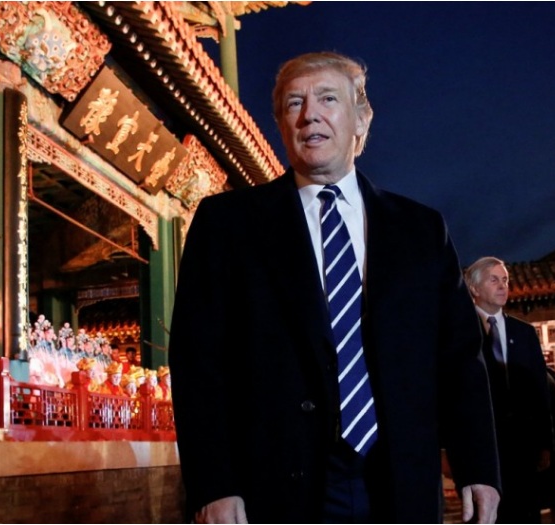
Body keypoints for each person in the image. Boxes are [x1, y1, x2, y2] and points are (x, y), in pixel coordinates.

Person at [169, 51, 500, 523]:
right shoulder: (227, 225)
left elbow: (459, 359)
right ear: (281, 125)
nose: (310, 115)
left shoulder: (421, 231)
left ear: (361, 119)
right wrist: (215, 485)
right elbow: (198, 363)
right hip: (275, 486)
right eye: (294, 103)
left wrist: (478, 467)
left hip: (398, 477)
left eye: (328, 99)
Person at [465, 256, 553, 523]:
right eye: (494, 280)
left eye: (505, 280)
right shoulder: (460, 333)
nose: (503, 286)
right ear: (474, 288)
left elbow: (540, 392)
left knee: (526, 513)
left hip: (523, 446)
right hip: (481, 446)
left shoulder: (524, 333)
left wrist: (545, 443)